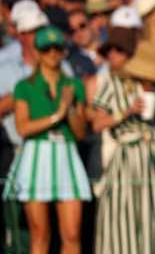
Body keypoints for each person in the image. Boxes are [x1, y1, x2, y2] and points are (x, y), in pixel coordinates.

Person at [90, 41, 155, 254]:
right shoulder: (114, 84)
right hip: (128, 157)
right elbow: (97, 123)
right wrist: (126, 112)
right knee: (125, 216)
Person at [2, 25, 91, 254]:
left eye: (57, 48)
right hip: (36, 157)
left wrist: (69, 109)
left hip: (66, 155)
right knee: (40, 235)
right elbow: (23, 127)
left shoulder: (74, 85)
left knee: (72, 234)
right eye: (47, 49)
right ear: (38, 52)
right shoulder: (25, 87)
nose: (52, 53)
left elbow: (81, 132)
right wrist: (56, 115)